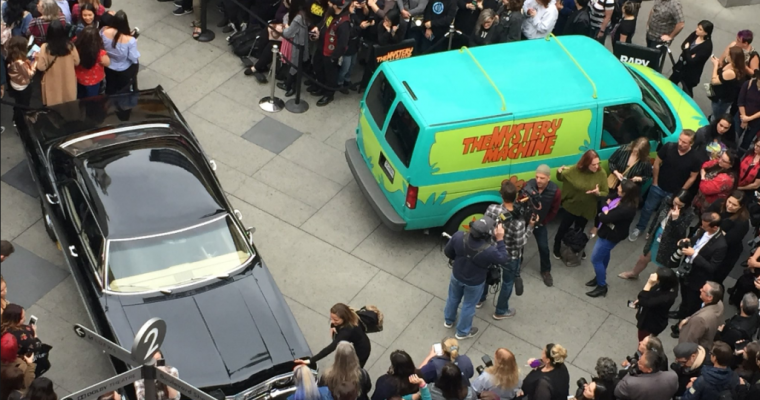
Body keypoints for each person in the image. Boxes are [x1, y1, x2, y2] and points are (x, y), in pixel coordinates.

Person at [479, 180, 538, 317]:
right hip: (509, 256)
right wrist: (530, 227)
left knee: (485, 274)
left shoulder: (492, 209)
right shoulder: (519, 222)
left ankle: (479, 299)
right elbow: (520, 243)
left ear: (501, 195)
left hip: (491, 251)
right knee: (507, 282)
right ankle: (500, 311)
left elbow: (486, 226)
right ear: (516, 197)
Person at [443, 215, 508, 339]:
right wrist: (500, 239)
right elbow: (503, 258)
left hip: (457, 275)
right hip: (475, 282)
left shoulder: (458, 236)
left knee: (453, 297)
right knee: (468, 305)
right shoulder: (489, 251)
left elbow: (448, 252)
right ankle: (462, 332)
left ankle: (448, 320)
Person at [630, 130, 700, 241]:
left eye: (684, 142)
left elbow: (693, 176)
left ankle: (652, 233)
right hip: (658, 186)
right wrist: (655, 181)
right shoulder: (669, 147)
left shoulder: (695, 158)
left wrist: (682, 192)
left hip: (674, 193)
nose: (680, 143)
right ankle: (640, 228)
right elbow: (657, 163)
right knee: (648, 208)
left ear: (691, 144)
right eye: (680, 140)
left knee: (664, 215)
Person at [619, 190, 695, 279]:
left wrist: (675, 220)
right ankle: (633, 273)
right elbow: (657, 217)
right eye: (675, 203)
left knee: (662, 265)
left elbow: (679, 232)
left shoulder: (689, 214)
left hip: (670, 241)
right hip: (658, 232)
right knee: (644, 257)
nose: (676, 206)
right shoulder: (667, 201)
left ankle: (656, 282)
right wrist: (650, 231)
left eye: (680, 205)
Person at [586, 180, 640, 298]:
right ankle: (600, 276)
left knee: (595, 259)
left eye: (620, 188)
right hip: (608, 231)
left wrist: (604, 211)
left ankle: (601, 285)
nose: (617, 189)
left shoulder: (626, 208)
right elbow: (605, 198)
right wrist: (606, 209)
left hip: (611, 235)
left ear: (625, 193)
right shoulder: (623, 197)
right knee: (604, 255)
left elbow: (604, 218)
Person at [553, 150, 609, 259]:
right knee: (563, 228)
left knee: (580, 229)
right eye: (593, 164)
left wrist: (598, 193)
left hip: (587, 209)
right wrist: (559, 172)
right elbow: (562, 177)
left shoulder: (601, 173)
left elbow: (605, 192)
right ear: (586, 163)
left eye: (598, 163)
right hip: (572, 206)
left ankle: (576, 247)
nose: (596, 166)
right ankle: (557, 245)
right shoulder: (575, 170)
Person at [672, 213, 727, 321]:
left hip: (698, 277)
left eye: (705, 226)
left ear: (714, 227)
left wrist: (694, 254)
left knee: (692, 302)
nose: (701, 227)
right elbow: (697, 241)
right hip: (687, 269)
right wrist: (688, 241)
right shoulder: (703, 230)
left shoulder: (721, 245)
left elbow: (712, 267)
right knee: (684, 295)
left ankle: (686, 321)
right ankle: (680, 313)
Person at [521, 165, 561, 287]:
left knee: (543, 247)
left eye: (542, 178)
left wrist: (544, 221)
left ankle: (545, 271)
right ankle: (516, 265)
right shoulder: (528, 185)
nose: (538, 180)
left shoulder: (555, 191)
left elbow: (554, 210)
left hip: (540, 222)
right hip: (525, 220)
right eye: (537, 177)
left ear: (548, 178)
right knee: (519, 244)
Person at [300, 304, 371, 368]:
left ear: (344, 318)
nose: (332, 321)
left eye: (335, 320)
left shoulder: (346, 332)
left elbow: (330, 348)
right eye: (331, 318)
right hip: (360, 342)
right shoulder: (350, 318)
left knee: (354, 370)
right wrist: (333, 326)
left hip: (361, 352)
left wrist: (310, 361)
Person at [309, 0, 350, 106]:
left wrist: (334, 57)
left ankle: (328, 94)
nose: (328, 4)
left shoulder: (344, 23)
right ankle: (321, 86)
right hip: (321, 47)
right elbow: (323, 23)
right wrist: (317, 29)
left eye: (331, 3)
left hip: (331, 54)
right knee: (318, 66)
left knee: (330, 75)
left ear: (336, 6)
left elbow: (342, 44)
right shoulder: (330, 14)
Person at [35, 19, 79, 106]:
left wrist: (37, 58)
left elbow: (41, 67)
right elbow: (77, 62)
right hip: (68, 80)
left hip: (52, 82)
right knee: (69, 104)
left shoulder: (45, 47)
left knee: (54, 107)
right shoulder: (70, 46)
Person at [710, 191, 750, 284]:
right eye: (729, 202)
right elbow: (704, 218)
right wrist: (719, 232)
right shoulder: (718, 204)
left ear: (741, 206)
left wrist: (713, 230)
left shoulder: (742, 222)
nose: (730, 206)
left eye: (734, 205)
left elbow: (727, 241)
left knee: (715, 279)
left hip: (727, 253)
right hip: (710, 244)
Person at [669, 20, 713, 98]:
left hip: (690, 74)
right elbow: (683, 45)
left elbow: (692, 61)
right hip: (680, 67)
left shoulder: (707, 47)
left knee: (686, 91)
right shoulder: (695, 34)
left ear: (706, 33)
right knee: (671, 83)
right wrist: (689, 54)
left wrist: (687, 50)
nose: (697, 30)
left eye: (700, 29)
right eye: (697, 27)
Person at [677, 281, 725, 350]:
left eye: (703, 290)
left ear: (710, 297)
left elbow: (689, 341)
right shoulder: (719, 304)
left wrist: (683, 325)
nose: (700, 290)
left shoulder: (700, 320)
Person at [633, 269, 679, 340]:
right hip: (654, 316)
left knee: (644, 339)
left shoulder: (666, 298)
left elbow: (644, 301)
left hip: (651, 324)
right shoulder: (671, 285)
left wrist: (649, 283)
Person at [101, 10, 139, 95]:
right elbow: (133, 58)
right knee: (122, 90)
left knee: (110, 86)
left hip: (109, 66)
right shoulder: (130, 40)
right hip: (123, 68)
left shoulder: (104, 31)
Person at [614, 350, 678, 400]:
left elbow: (617, 393)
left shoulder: (630, 382)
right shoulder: (673, 377)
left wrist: (629, 372)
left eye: (640, 363)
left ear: (649, 370)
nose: (637, 362)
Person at [277, 0, 309, 97]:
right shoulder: (303, 13)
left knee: (294, 66)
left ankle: (291, 87)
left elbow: (287, 33)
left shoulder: (298, 18)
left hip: (296, 45)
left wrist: (286, 26)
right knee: (293, 66)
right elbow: (286, 16)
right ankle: (288, 84)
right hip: (297, 43)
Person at [5, 36, 37, 129]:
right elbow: (30, 74)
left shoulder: (10, 57)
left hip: (14, 84)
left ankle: (15, 119)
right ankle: (21, 122)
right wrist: (35, 62)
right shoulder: (20, 62)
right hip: (23, 86)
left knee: (18, 102)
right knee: (24, 104)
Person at [693, 150, 737, 215]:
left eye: (723, 161)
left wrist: (703, 176)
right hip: (700, 197)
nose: (719, 160)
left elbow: (705, 189)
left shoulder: (726, 179)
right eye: (720, 157)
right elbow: (706, 165)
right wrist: (704, 174)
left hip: (709, 203)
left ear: (731, 165)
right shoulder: (720, 163)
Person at [710, 47, 748, 121]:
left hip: (722, 99)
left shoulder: (731, 72)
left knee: (717, 117)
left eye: (728, 55)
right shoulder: (732, 65)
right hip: (720, 94)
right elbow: (721, 74)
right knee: (715, 113)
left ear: (732, 58)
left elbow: (714, 81)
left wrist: (715, 66)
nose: (726, 55)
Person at [74, 26, 109, 98]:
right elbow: (107, 63)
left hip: (79, 79)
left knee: (80, 98)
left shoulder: (76, 49)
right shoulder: (100, 53)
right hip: (94, 81)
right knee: (92, 100)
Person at [736, 71, 760, 155]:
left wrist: (748, 118)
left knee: (747, 141)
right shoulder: (748, 84)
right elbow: (741, 102)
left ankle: (738, 159)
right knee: (734, 135)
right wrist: (744, 117)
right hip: (741, 117)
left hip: (756, 121)